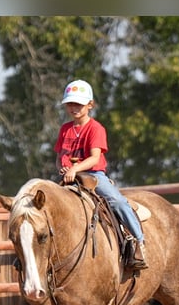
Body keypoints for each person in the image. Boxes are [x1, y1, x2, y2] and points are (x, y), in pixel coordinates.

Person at [54, 79, 148, 269]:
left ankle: (139, 242)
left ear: (90, 105)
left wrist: (74, 168)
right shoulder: (65, 129)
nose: (74, 108)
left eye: (79, 104)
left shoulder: (96, 128)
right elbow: (59, 156)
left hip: (93, 176)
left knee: (118, 202)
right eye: (71, 104)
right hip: (69, 177)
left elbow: (94, 158)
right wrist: (62, 169)